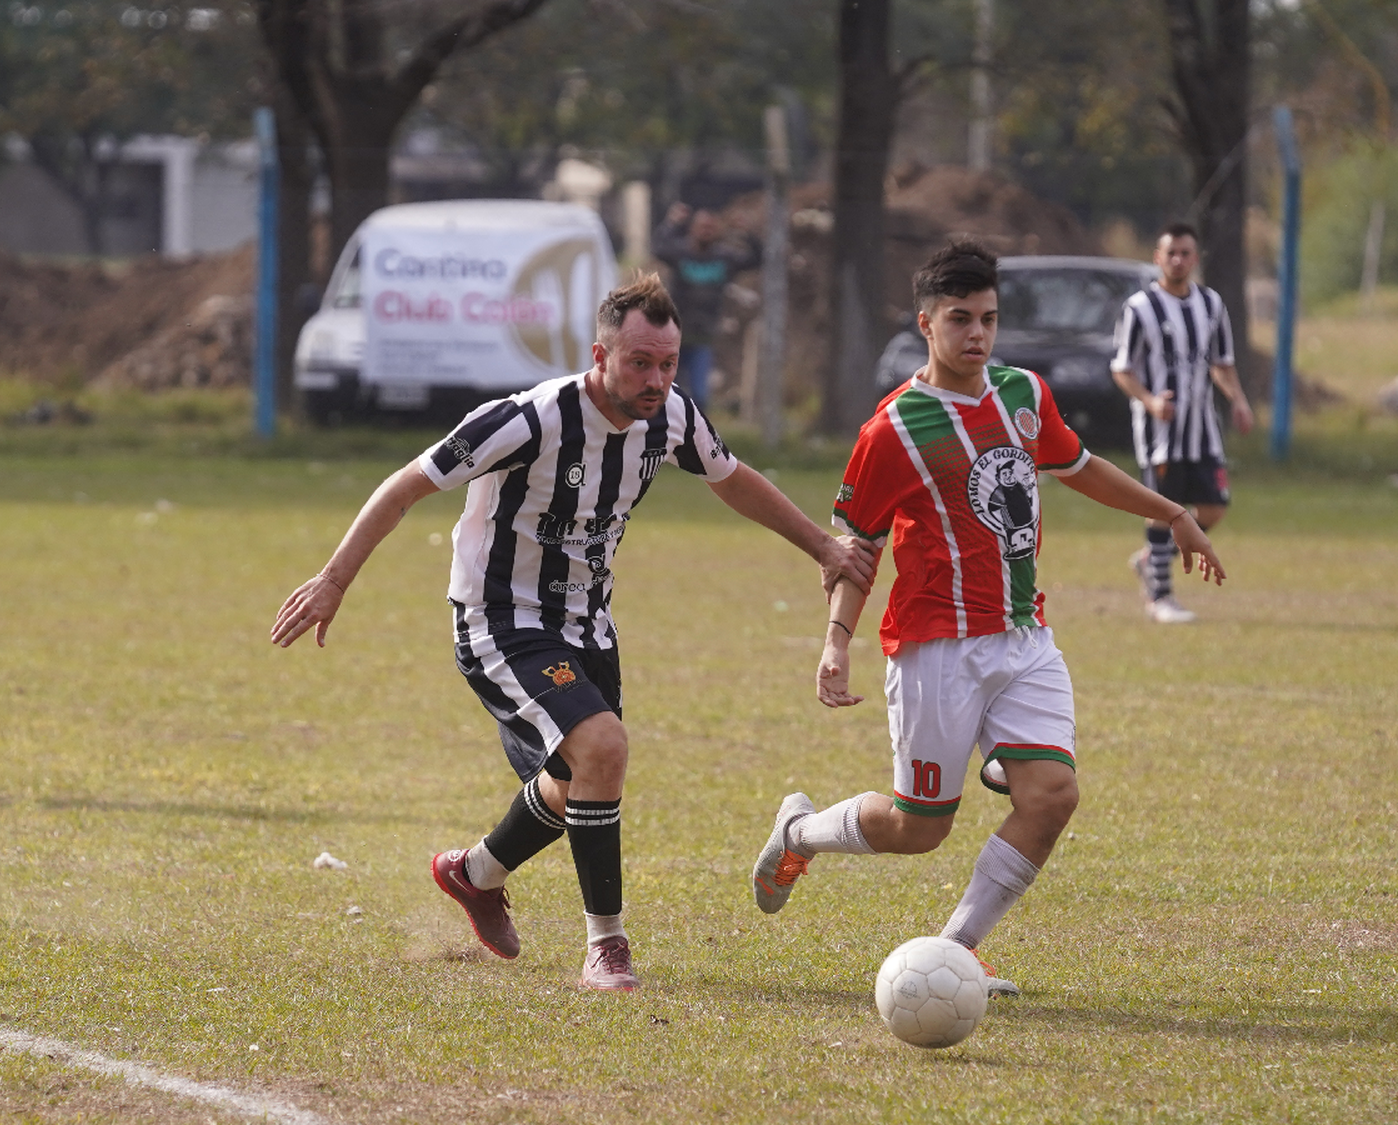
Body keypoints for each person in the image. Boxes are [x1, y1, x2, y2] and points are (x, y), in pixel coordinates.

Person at [272, 274, 876, 992]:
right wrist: (335, 580)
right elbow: (407, 484)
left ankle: (475, 873)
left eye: (668, 364)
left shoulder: (672, 416)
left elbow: (732, 477)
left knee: (579, 779)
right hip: (501, 619)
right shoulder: (527, 420)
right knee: (603, 748)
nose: (656, 380)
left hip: (587, 623)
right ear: (600, 354)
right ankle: (607, 946)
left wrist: (823, 546)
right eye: (639, 363)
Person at [750, 240, 1227, 995]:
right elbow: (855, 547)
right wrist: (836, 640)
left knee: (1054, 796)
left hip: (1023, 636)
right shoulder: (894, 429)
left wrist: (1172, 512)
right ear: (926, 323)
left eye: (989, 319)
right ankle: (799, 832)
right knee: (920, 828)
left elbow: (1077, 466)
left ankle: (954, 949)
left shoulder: (1023, 393)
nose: (977, 334)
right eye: (960, 319)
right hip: (935, 646)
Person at [1111, 221, 1253, 624]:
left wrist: (1238, 400)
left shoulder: (1211, 304)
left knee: (1214, 507)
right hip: (1159, 434)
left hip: (1202, 428)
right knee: (1161, 509)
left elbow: (1222, 363)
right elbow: (1122, 369)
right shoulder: (1140, 308)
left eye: (1185, 253)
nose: (1177, 260)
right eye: (1170, 253)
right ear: (1158, 258)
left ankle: (1149, 560)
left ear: (1195, 258)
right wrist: (1151, 401)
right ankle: (1161, 597)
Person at [651, 202, 761, 412]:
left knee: (700, 396)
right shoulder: (680, 252)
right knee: (670, 392)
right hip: (674, 337)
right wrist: (671, 223)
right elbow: (658, 248)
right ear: (693, 228)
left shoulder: (724, 258)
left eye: (710, 228)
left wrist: (747, 233)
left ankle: (694, 437)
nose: (706, 231)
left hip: (704, 336)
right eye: (702, 227)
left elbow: (756, 259)